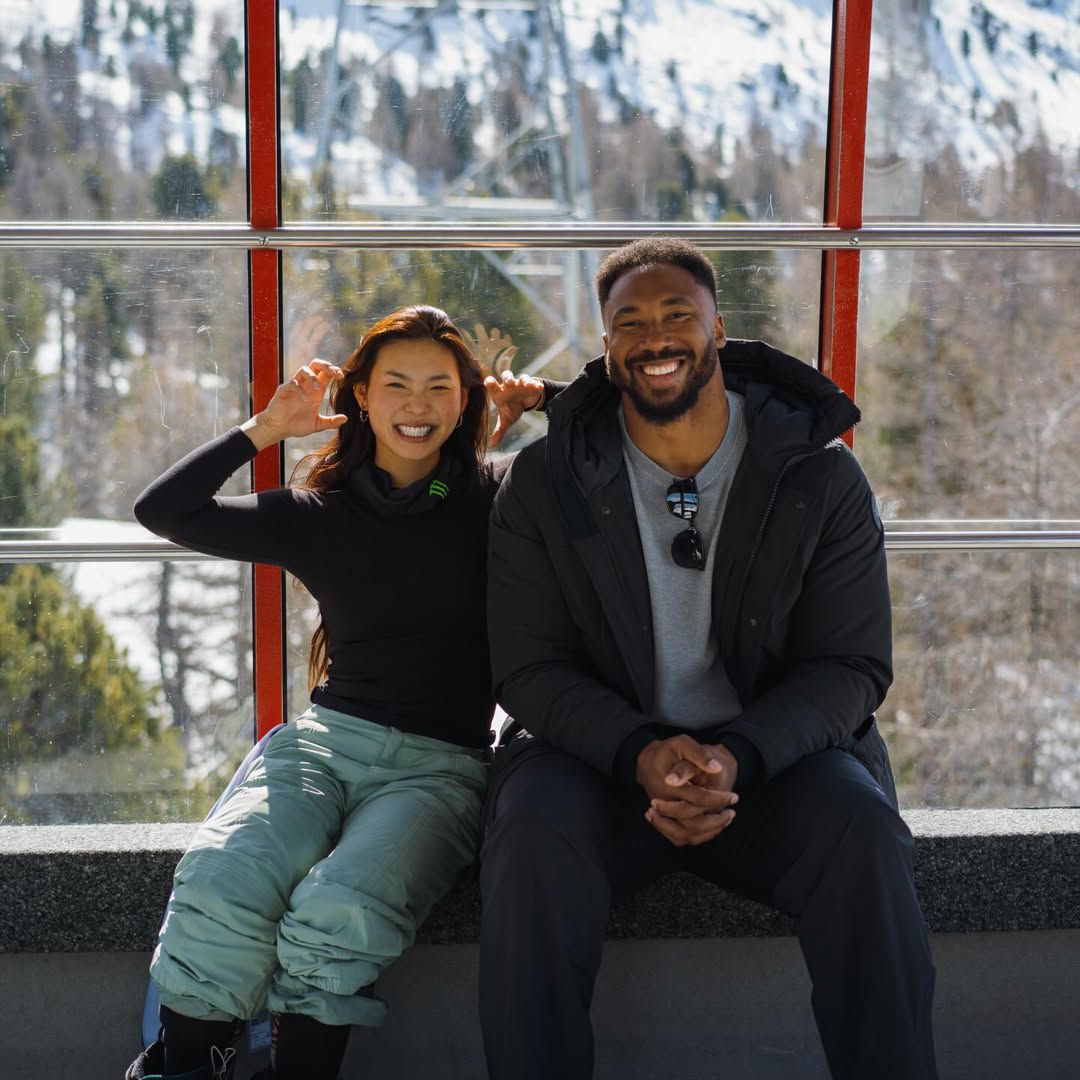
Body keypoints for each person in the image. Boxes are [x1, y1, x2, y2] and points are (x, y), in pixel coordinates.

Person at [480, 238, 939, 1080]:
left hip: (768, 765)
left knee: (863, 830)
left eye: (676, 315)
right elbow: (529, 668)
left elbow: (850, 666)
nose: (655, 337)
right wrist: (639, 753)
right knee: (531, 834)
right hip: (600, 765)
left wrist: (735, 758)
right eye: (630, 323)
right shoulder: (546, 482)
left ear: (718, 329)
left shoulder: (819, 476)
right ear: (606, 346)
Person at [126, 306, 551, 1080]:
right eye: (396, 384)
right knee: (224, 881)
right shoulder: (320, 513)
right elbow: (163, 510)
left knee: (340, 908)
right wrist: (265, 428)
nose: (417, 404)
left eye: (438, 386)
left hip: (440, 768)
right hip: (323, 748)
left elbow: (625, 435)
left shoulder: (499, 497)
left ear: (465, 400)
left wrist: (542, 398)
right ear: (360, 396)